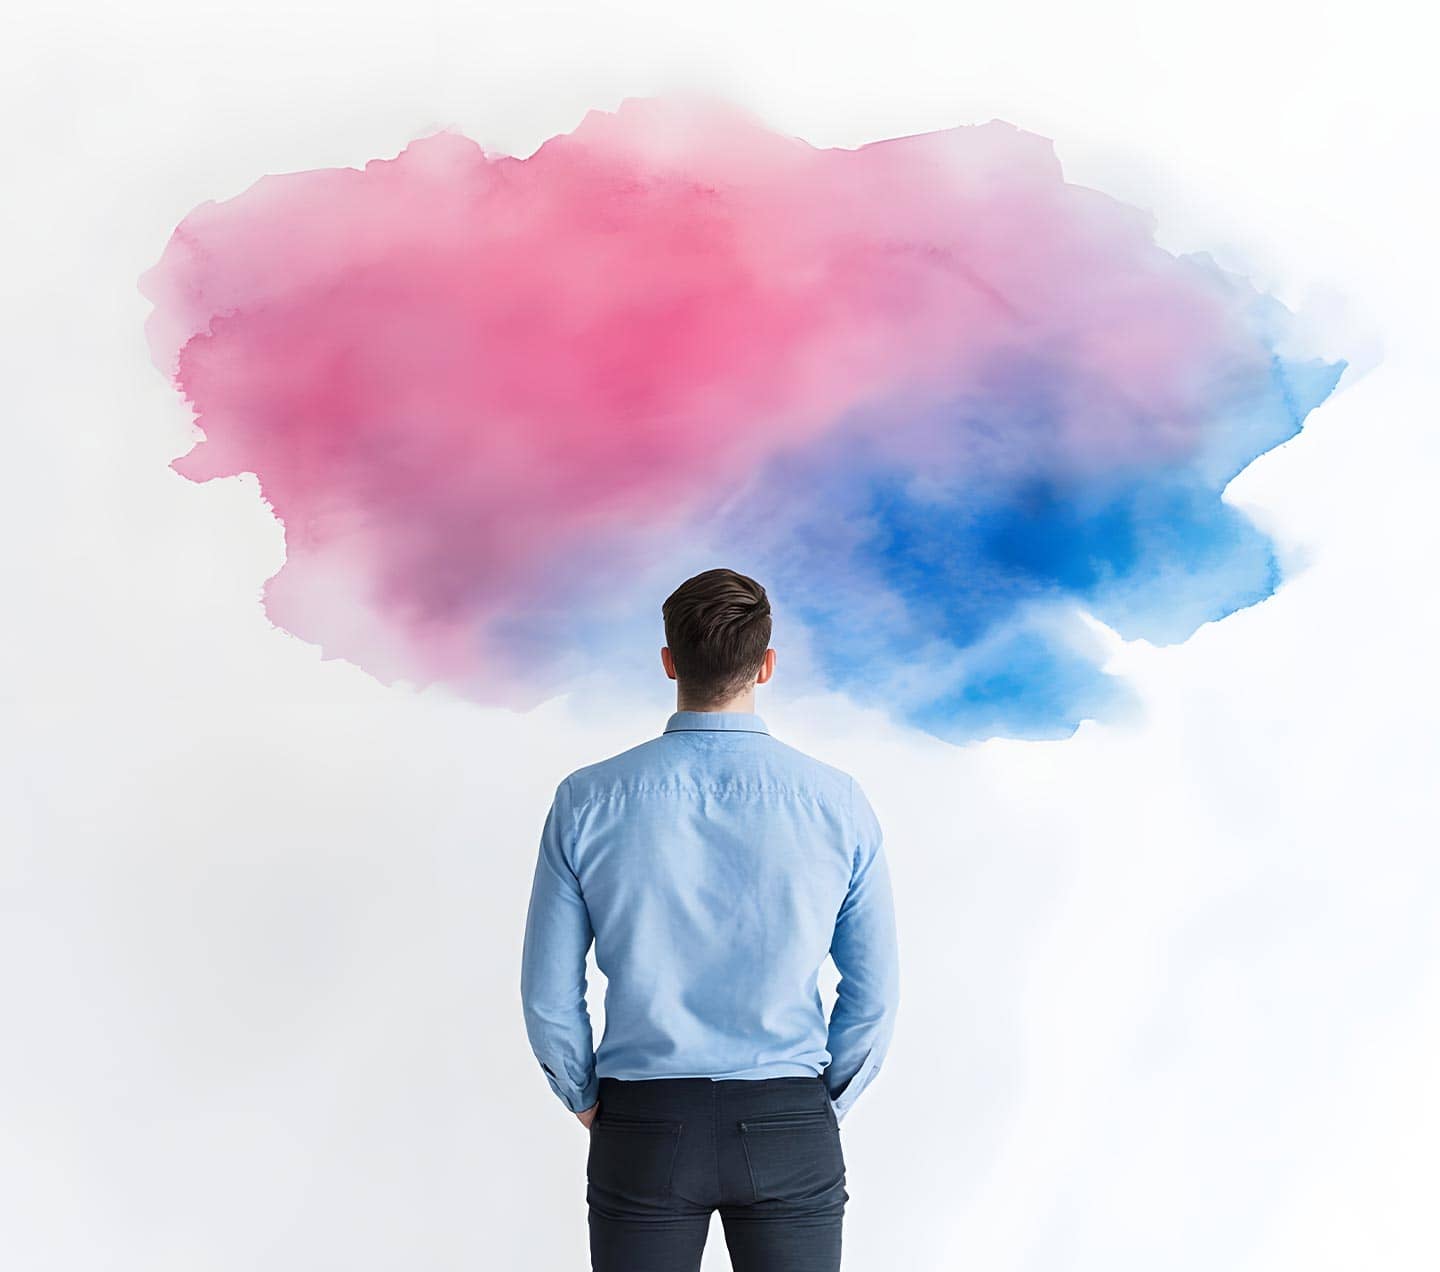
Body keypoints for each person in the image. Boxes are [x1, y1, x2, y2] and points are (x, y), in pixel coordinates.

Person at [520, 566, 901, 1272]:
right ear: (767, 665)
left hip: (644, 1119)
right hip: (790, 1117)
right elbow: (873, 997)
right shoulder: (837, 802)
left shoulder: (586, 800)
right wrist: (815, 1107)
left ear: (669, 663)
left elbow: (549, 997)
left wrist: (582, 1094)